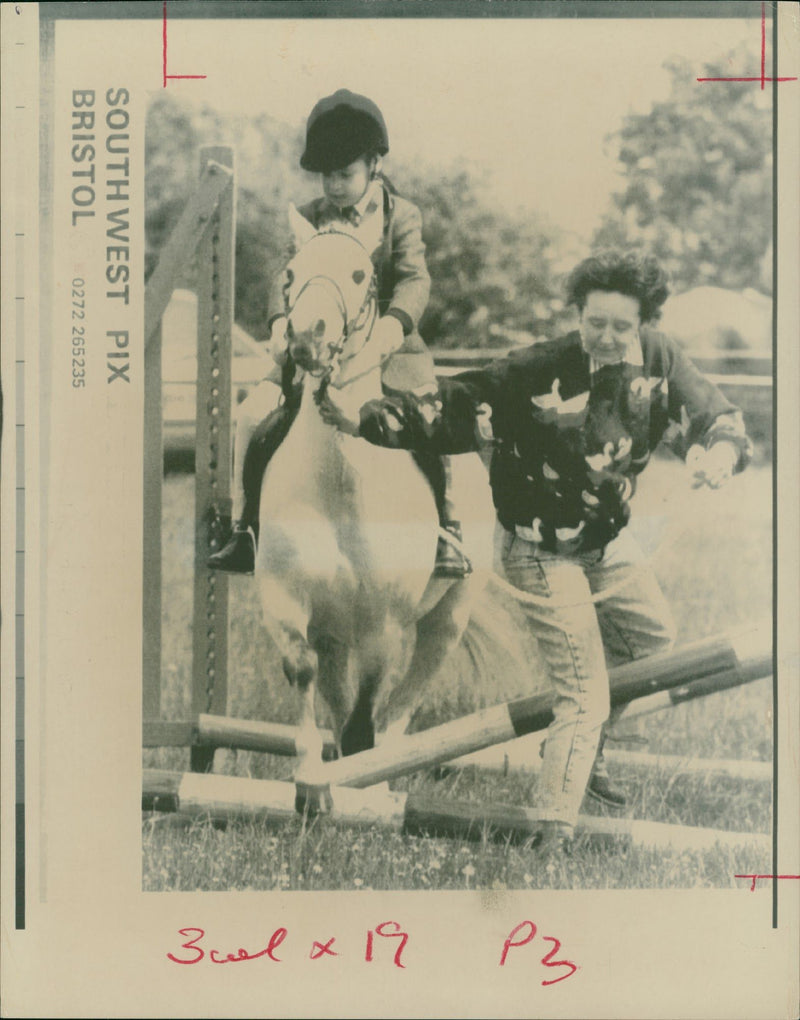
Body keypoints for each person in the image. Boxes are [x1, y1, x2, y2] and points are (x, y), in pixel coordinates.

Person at [319, 250, 752, 855]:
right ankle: (552, 834)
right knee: (584, 694)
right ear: (578, 313)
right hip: (539, 550)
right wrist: (365, 419)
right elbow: (448, 403)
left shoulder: (661, 360)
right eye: (593, 321)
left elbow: (713, 413)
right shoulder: (537, 368)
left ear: (644, 324)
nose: (604, 336)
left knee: (653, 643)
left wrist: (720, 452)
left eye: (620, 327)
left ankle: (580, 749)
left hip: (607, 542)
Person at [208, 89, 469, 579]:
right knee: (251, 414)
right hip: (312, 345)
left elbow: (415, 278)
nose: (334, 186)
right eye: (326, 176)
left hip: (391, 347)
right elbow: (283, 277)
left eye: (345, 174)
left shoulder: (401, 215)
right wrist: (279, 322)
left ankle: (448, 532)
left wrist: (393, 326)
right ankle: (244, 527)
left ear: (373, 164)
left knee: (426, 415)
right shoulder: (308, 216)